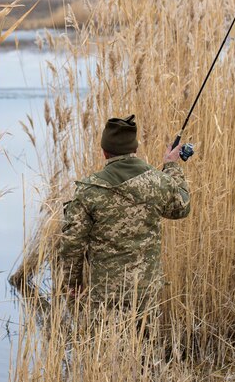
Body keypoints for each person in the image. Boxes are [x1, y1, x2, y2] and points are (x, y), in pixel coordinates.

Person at [57, 114, 191, 312]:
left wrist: (73, 282)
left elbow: (72, 243)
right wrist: (171, 165)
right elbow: (182, 207)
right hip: (146, 292)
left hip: (105, 294)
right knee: (144, 342)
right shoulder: (157, 182)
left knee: (105, 342)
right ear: (135, 149)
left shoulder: (89, 190)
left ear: (104, 152)